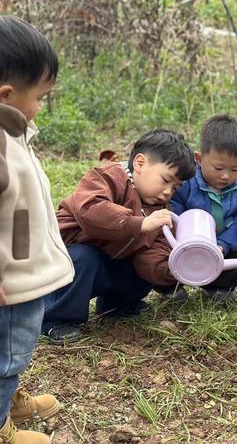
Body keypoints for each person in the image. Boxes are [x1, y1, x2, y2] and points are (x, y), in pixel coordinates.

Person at [41, 129, 196, 343]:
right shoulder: (107, 177)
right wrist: (139, 223)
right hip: (73, 257)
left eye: (175, 187)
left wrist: (172, 268)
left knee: (141, 268)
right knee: (84, 259)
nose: (168, 192)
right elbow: (90, 210)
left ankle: (117, 306)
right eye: (165, 180)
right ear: (140, 164)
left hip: (112, 261)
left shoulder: (160, 208)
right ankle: (56, 319)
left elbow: (154, 248)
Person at [0, 16, 74, 443]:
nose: (40, 107)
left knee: (10, 352)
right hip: (10, 282)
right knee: (6, 356)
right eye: (40, 97)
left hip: (20, 274)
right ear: (6, 95)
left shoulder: (12, 131)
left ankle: (7, 399)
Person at [170, 114, 237, 303]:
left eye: (235, 169)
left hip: (221, 246)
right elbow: (173, 205)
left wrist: (224, 244)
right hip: (184, 243)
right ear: (199, 159)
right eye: (218, 168)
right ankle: (171, 287)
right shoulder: (186, 182)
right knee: (160, 248)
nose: (226, 176)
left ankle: (218, 288)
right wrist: (178, 233)